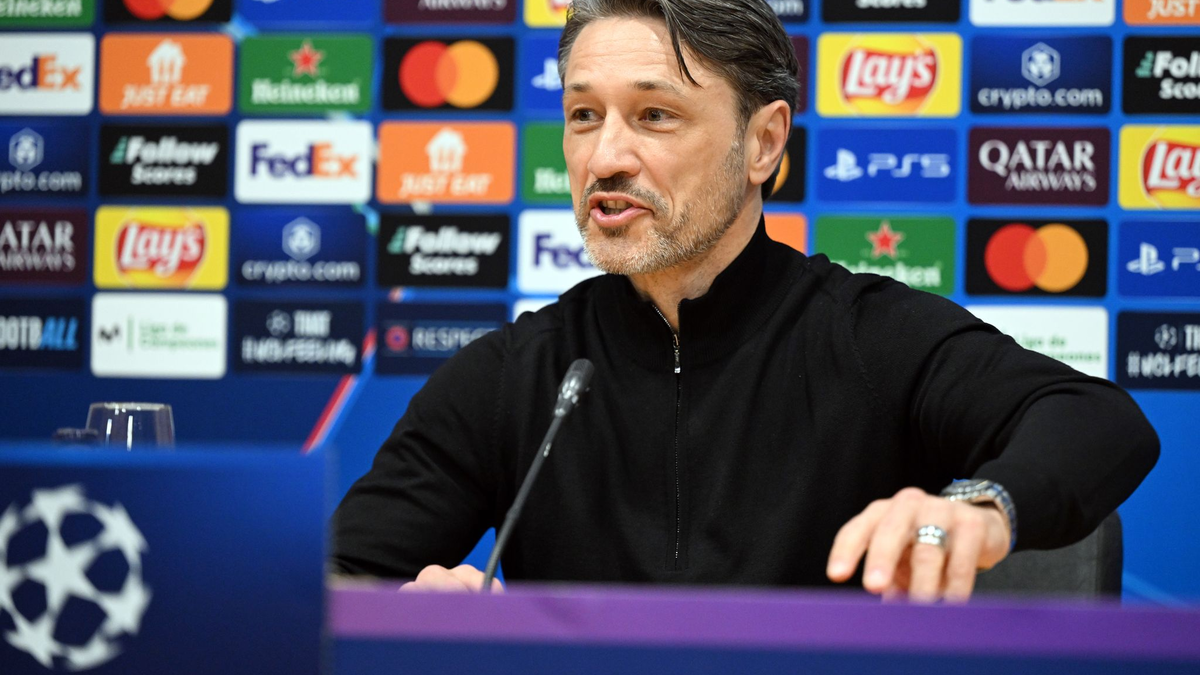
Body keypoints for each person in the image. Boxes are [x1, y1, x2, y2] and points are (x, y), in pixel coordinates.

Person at [331, 0, 1159, 602]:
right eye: (584, 114)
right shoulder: (521, 374)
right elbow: (334, 578)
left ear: (763, 142)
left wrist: (985, 507)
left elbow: (1097, 419)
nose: (605, 156)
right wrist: (413, 617)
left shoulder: (867, 334)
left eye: (655, 115)